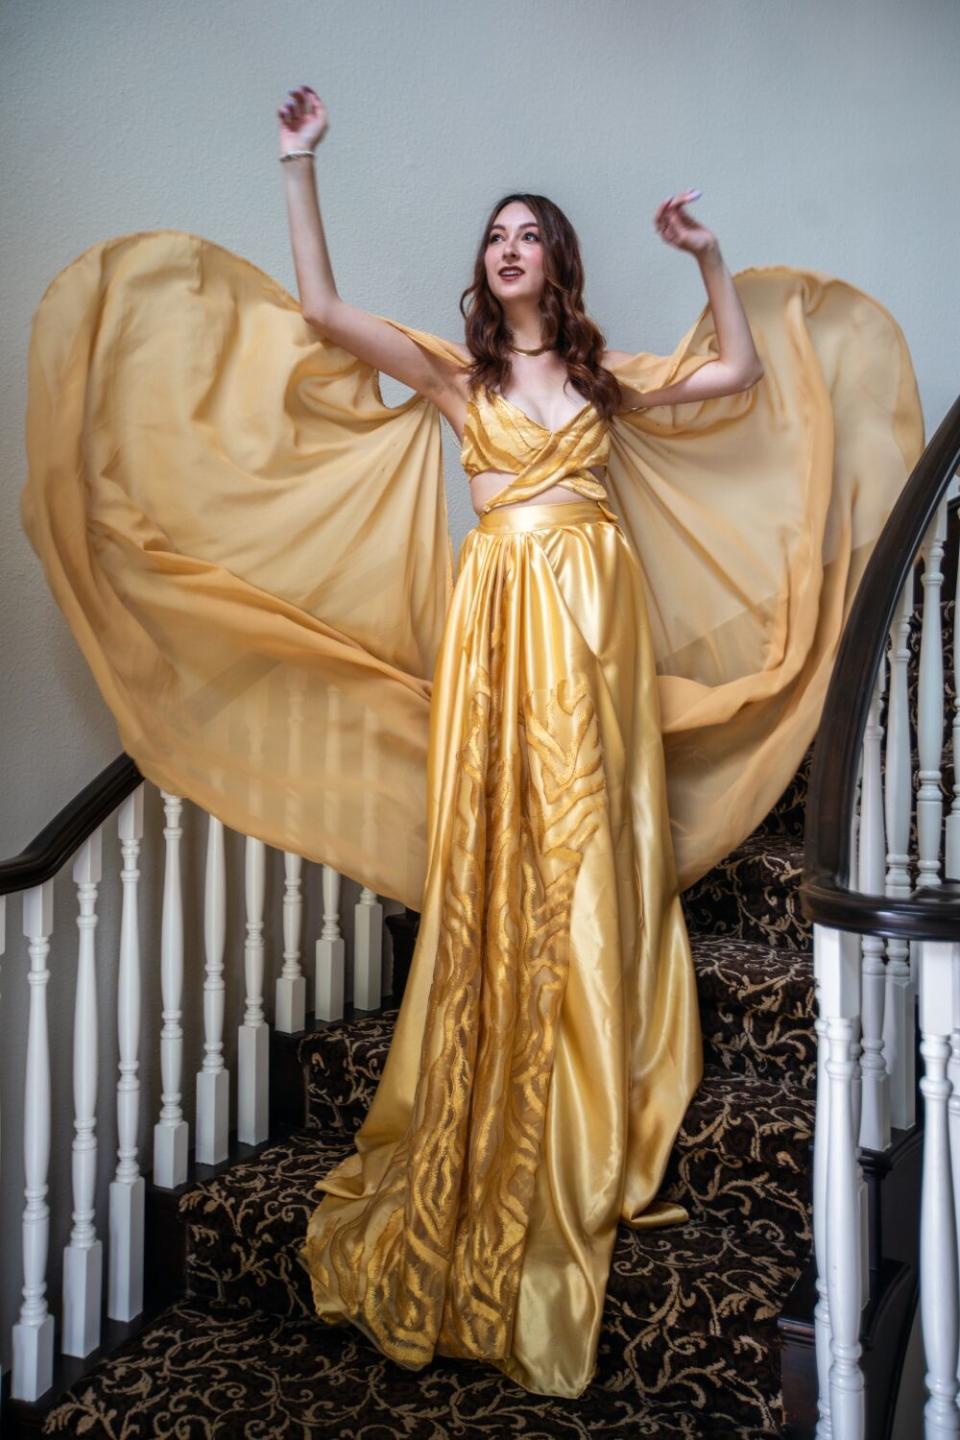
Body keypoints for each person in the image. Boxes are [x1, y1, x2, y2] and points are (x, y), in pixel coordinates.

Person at [20, 83, 924, 1404]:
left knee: (594, 830)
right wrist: (300, 166)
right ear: (486, 269)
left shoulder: (608, 384)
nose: (505, 246)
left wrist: (710, 260)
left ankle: (597, 1030)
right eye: (492, 234)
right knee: (505, 836)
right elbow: (325, 315)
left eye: (527, 233)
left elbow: (733, 373)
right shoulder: (460, 380)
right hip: (501, 625)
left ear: (557, 262)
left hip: (598, 630)